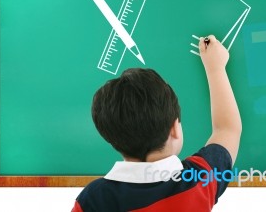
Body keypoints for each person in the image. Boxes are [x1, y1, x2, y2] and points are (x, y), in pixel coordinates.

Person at [72, 35, 242, 212]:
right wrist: (215, 68)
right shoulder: (199, 179)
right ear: (174, 129)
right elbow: (228, 129)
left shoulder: (94, 200)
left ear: (111, 137)